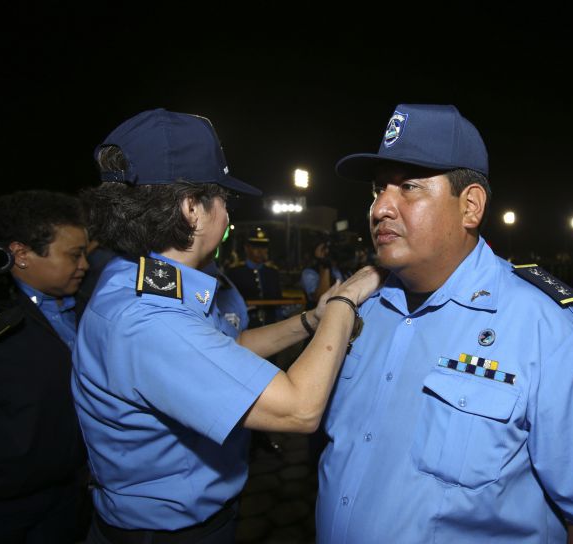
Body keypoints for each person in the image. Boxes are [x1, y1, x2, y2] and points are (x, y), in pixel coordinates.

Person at [316, 103, 573, 543]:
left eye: (408, 186)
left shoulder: (544, 325)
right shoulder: (361, 307)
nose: (380, 208)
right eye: (377, 190)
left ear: (470, 206)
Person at [71, 108, 381, 542]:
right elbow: (299, 409)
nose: (227, 215)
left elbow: (229, 348)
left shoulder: (140, 278)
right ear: (191, 209)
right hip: (169, 534)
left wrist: (312, 320)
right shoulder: (149, 321)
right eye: (223, 200)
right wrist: (346, 302)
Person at [0, 190, 91, 542]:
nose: (85, 265)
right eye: (74, 254)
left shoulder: (86, 307)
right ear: (21, 255)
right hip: (0, 509)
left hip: (69, 497)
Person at [225, 228, 283, 327]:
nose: (260, 251)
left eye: (263, 247)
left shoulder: (272, 272)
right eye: (255, 247)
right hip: (245, 325)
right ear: (246, 248)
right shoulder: (235, 272)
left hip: (269, 324)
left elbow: (278, 301)